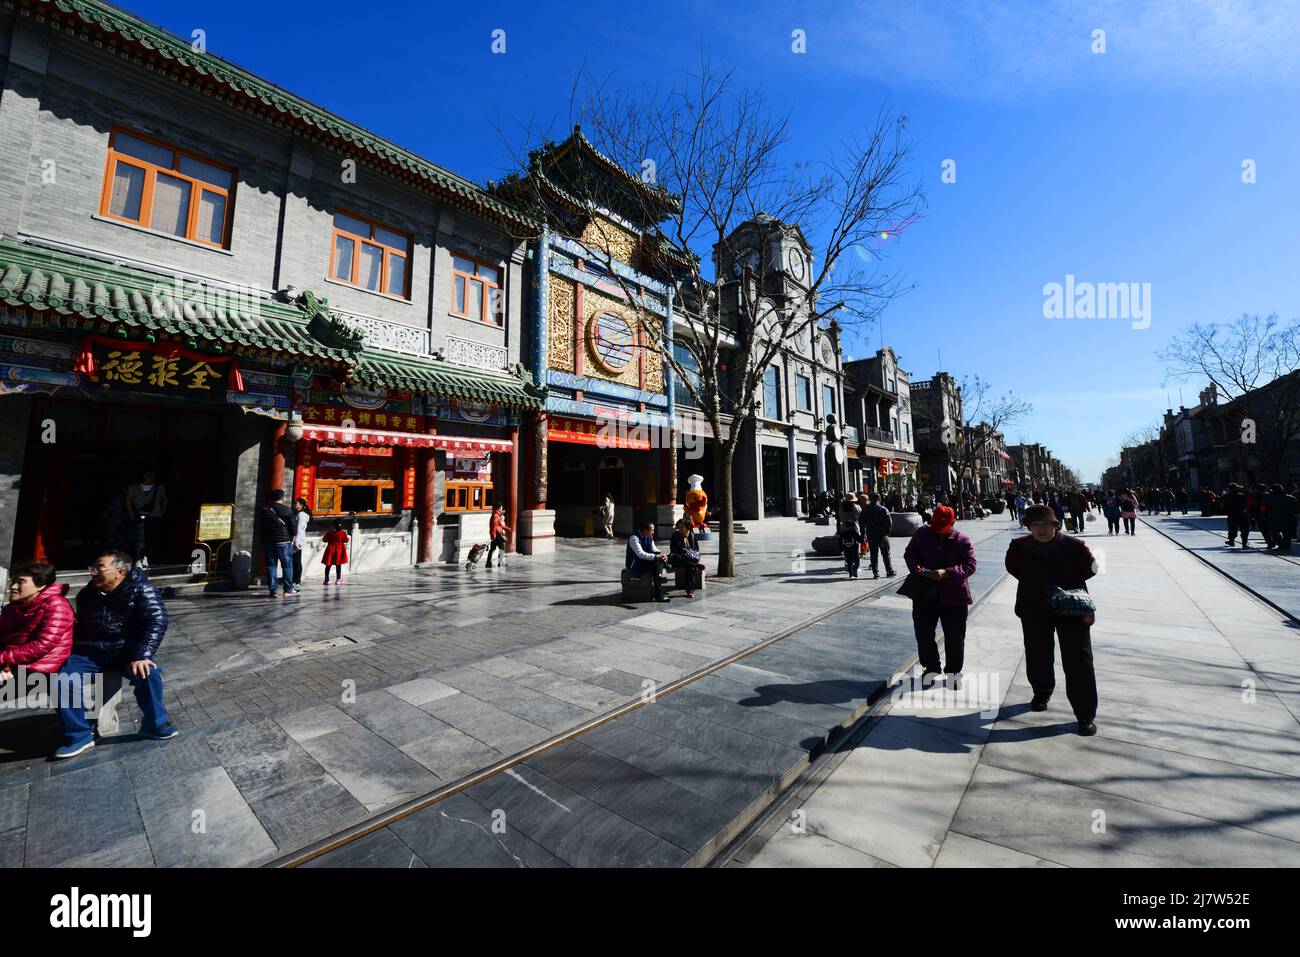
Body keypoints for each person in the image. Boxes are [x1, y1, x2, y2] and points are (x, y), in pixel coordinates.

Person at [54, 551, 176, 759]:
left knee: (149, 673)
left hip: (125, 651)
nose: (94, 572)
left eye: (100, 567)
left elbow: (157, 620)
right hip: (89, 652)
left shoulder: (141, 589)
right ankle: (80, 734)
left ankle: (155, 724)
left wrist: (142, 654)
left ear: (120, 571)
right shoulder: (87, 594)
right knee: (63, 678)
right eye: (93, 567)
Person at [1005, 503, 1099, 736]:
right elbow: (1013, 568)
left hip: (1071, 609)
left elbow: (1092, 568)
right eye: (1036, 525)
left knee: (1079, 659)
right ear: (1029, 527)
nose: (1042, 529)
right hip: (1034, 608)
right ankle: (1041, 691)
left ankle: (1085, 713)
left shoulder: (1074, 545)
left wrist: (1062, 585)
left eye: (1047, 524)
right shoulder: (1019, 546)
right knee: (1037, 652)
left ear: (1056, 525)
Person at [902, 506, 976, 689]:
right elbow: (909, 553)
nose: (938, 529)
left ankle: (953, 673)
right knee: (924, 633)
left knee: (955, 636)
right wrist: (917, 567)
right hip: (925, 593)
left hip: (954, 596)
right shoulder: (922, 534)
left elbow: (970, 565)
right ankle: (931, 667)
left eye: (942, 526)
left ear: (952, 523)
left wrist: (947, 572)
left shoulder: (962, 540)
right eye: (935, 525)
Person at [0, 560, 74, 683]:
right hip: (13, 661)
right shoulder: (12, 607)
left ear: (41, 585)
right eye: (13, 581)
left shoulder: (56, 605)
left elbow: (41, 646)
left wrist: (4, 658)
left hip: (39, 667)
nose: (13, 587)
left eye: (21, 582)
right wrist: (5, 662)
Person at [123, 469, 167, 570]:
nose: (151, 477)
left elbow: (164, 500)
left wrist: (160, 514)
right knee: (139, 539)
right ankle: (138, 559)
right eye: (149, 475)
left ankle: (146, 558)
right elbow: (128, 501)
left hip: (154, 516)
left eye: (154, 475)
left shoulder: (159, 487)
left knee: (151, 538)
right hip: (138, 516)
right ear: (143, 475)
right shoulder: (134, 487)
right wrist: (131, 515)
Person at [259, 489, 297, 596]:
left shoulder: (265, 510)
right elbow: (293, 527)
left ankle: (273, 590)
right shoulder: (287, 510)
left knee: (271, 565)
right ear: (282, 498)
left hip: (268, 542)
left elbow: (261, 527)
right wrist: (293, 537)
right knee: (287, 566)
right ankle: (288, 589)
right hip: (284, 542)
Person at [626, 520, 670, 603]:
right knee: (657, 563)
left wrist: (661, 554)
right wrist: (657, 557)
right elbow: (640, 554)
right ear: (645, 530)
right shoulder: (634, 538)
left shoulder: (649, 536)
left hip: (644, 561)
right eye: (651, 530)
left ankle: (659, 581)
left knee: (658, 562)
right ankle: (659, 592)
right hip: (635, 563)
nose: (653, 532)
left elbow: (654, 549)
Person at [668, 518, 705, 598]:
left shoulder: (691, 535)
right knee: (690, 564)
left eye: (682, 527)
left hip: (689, 560)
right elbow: (674, 550)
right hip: (678, 558)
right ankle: (696, 564)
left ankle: (690, 591)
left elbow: (696, 550)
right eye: (679, 527)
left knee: (690, 566)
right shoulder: (675, 535)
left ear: (687, 527)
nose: (680, 529)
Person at [862, 492, 895, 579]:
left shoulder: (866, 509)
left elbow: (862, 522)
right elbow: (889, 522)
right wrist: (887, 533)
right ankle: (889, 571)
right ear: (879, 499)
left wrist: (863, 534)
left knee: (873, 554)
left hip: (871, 534)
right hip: (882, 535)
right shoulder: (883, 509)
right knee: (886, 554)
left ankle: (875, 573)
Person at [1262, 484, 1296, 554]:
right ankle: (1286, 546)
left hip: (1272, 518)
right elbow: (1295, 509)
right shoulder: (1291, 498)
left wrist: (1264, 516)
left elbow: (1264, 508)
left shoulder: (1267, 498)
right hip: (1287, 518)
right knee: (1287, 533)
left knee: (1274, 532)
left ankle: (1280, 545)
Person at [837, 494, 863, 579]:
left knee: (847, 554)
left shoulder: (841, 508)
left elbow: (840, 518)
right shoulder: (857, 508)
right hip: (854, 531)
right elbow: (861, 518)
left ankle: (850, 572)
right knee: (856, 553)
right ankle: (856, 568)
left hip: (844, 531)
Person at [320, 520, 350, 585]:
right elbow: (346, 540)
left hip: (330, 550)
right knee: (338, 565)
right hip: (339, 550)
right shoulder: (342, 533)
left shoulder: (329, 532)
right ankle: (338, 579)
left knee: (328, 565)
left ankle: (326, 579)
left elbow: (324, 540)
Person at [291, 497, 311, 587]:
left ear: (301, 506)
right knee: (295, 561)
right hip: (297, 540)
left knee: (297, 561)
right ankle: (295, 580)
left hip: (298, 541)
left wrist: (296, 541)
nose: (295, 505)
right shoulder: (299, 514)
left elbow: (299, 529)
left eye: (296, 503)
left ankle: (297, 581)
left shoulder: (301, 515)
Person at [1222, 483, 1249, 548]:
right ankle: (1244, 544)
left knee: (1232, 528)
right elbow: (1246, 505)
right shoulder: (1242, 496)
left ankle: (1231, 541)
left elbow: (1223, 506)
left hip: (1231, 515)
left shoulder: (1225, 496)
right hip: (1242, 515)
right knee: (1244, 529)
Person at [486, 502, 510, 568]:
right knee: (501, 549)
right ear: (499, 507)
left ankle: (488, 562)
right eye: (501, 507)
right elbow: (494, 526)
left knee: (492, 549)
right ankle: (500, 562)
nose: (502, 508)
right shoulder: (496, 515)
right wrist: (493, 535)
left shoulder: (495, 514)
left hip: (495, 534)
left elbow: (499, 525)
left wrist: (507, 528)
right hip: (498, 534)